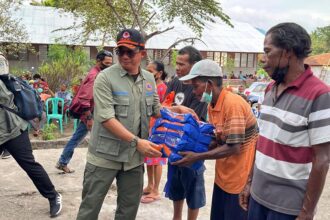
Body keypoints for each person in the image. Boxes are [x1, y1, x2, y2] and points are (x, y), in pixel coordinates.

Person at [76, 28, 196, 220]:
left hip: (133, 160)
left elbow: (155, 109)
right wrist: (137, 142)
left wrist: (175, 110)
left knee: (128, 211)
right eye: (120, 52)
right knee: (89, 210)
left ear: (142, 52)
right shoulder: (105, 78)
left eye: (129, 52)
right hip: (104, 157)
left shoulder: (149, 79)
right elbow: (106, 118)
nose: (124, 56)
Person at [239, 22, 330, 220]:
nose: (263, 59)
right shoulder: (270, 89)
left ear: (287, 52)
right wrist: (249, 183)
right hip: (257, 198)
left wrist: (307, 211)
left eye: (267, 51)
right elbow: (262, 141)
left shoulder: (320, 95)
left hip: (287, 208)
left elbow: (322, 160)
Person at [173, 59, 258, 220]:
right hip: (223, 178)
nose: (193, 92)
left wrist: (197, 156)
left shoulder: (233, 104)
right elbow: (218, 139)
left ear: (209, 84)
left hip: (240, 180)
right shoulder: (212, 105)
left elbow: (234, 148)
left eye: (195, 86)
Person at [0, 52, 62, 218]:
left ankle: (53, 196)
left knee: (29, 165)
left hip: (13, 129)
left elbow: (5, 97)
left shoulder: (0, 62)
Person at [165, 46, 208, 220]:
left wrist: (176, 112)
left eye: (181, 64)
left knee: (193, 190)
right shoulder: (176, 82)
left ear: (195, 65)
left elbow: (196, 119)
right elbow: (164, 107)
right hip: (173, 144)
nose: (177, 67)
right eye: (176, 63)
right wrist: (178, 110)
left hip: (193, 147)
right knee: (176, 187)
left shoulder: (202, 88)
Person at [55, 50, 113, 173]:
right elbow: (84, 99)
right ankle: (64, 161)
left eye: (110, 63)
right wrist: (89, 118)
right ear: (98, 61)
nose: (109, 66)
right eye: (106, 63)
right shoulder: (94, 76)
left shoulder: (99, 73)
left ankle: (63, 161)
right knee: (83, 138)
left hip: (92, 113)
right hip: (89, 114)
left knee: (82, 138)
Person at [141, 61, 168, 203]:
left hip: (159, 127)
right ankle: (149, 185)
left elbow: (164, 108)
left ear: (159, 73)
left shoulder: (163, 88)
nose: (148, 73)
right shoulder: (151, 86)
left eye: (151, 71)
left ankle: (156, 190)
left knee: (157, 159)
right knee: (149, 158)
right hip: (149, 126)